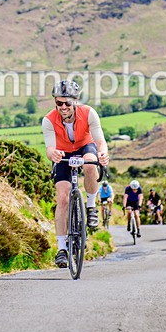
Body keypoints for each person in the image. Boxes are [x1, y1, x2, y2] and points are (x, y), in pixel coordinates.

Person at [42, 80, 109, 268]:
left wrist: (103, 153)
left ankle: (91, 205)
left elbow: (100, 141)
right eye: (59, 103)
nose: (63, 107)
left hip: (84, 146)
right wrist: (52, 154)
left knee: (89, 164)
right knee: (62, 198)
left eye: (67, 103)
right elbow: (49, 148)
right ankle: (61, 249)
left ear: (76, 101)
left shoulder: (89, 113)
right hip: (62, 152)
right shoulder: (48, 120)